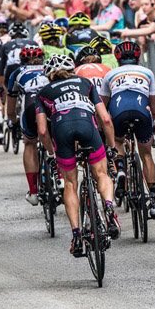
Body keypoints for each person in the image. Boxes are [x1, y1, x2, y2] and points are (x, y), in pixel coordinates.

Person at [35, 54, 120, 257]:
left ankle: (76, 235)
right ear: (73, 69)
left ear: (49, 75)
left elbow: (43, 131)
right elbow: (106, 119)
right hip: (87, 126)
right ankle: (108, 206)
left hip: (62, 130)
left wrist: (51, 153)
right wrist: (111, 148)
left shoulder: (43, 92)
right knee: (101, 174)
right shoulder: (85, 83)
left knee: (71, 184)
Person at [100, 40, 155, 218]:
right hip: (141, 111)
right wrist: (150, 125)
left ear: (117, 58)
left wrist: (104, 129)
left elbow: (102, 107)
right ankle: (154, 201)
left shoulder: (110, 75)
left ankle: (120, 170)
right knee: (146, 155)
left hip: (119, 111)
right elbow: (154, 108)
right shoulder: (147, 72)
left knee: (118, 141)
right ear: (138, 56)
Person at [6, 45, 50, 205]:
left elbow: (10, 107)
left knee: (30, 143)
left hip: (30, 107)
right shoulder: (50, 67)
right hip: (49, 105)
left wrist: (14, 120)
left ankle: (33, 192)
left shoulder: (17, 73)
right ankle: (60, 180)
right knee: (57, 141)